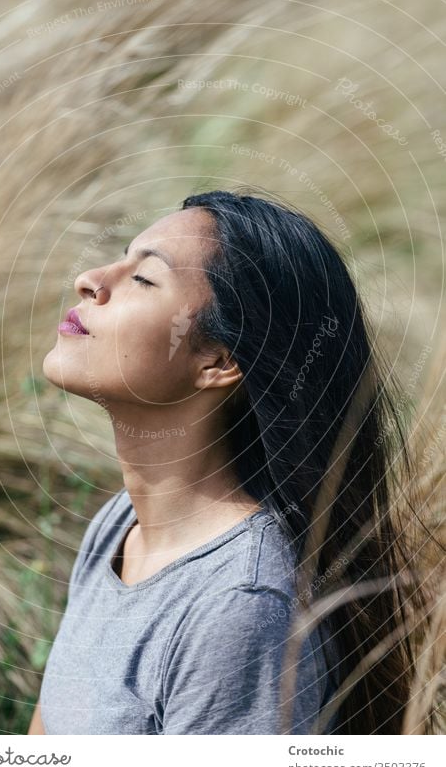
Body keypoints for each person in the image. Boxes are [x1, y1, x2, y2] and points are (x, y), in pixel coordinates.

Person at [28, 186, 423, 735]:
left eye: (144, 278)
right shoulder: (120, 527)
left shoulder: (239, 606)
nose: (91, 280)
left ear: (217, 360)